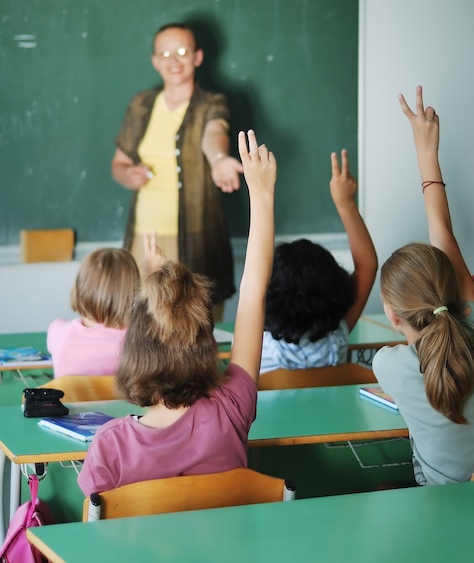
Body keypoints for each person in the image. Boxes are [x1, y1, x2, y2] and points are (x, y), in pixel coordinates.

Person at [78, 130, 276, 496]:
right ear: (204, 344)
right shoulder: (230, 409)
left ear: (134, 347)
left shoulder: (110, 445)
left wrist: (155, 278)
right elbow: (252, 296)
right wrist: (262, 195)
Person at [372, 86, 474, 486]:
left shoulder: (389, 366)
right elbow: (442, 232)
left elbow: (441, 234)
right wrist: (427, 151)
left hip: (438, 502)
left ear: (393, 317)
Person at [111, 22, 243, 319]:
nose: (173, 60)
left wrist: (220, 158)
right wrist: (126, 174)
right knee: (144, 329)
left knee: (196, 331)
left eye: (182, 52)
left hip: (197, 239)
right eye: (165, 53)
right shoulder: (141, 105)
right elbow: (119, 163)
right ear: (155, 61)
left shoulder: (212, 103)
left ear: (197, 57)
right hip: (145, 239)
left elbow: (214, 135)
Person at [259, 149, 377, 374]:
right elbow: (367, 266)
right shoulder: (337, 339)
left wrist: (261, 193)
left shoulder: (255, 348)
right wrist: (346, 203)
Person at [47, 240, 165, 378]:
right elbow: (156, 321)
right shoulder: (139, 341)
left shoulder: (58, 333)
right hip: (124, 399)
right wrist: (154, 275)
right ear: (133, 292)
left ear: (79, 288)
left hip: (69, 400)